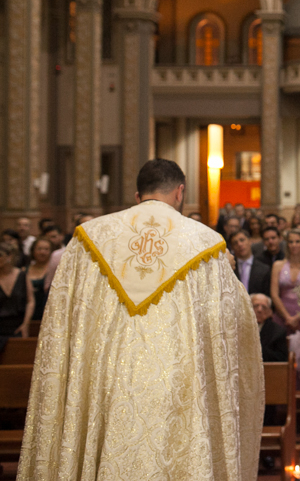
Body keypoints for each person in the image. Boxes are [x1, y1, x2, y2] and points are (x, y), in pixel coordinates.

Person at [18, 159, 263, 479]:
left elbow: (62, 317)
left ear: (138, 195)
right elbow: (231, 323)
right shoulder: (205, 242)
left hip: (105, 378)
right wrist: (227, 271)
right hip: (180, 380)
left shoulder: (90, 237)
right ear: (180, 192)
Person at [270, 229, 300, 368]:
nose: (294, 245)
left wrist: (298, 317)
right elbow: (274, 294)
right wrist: (287, 317)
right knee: (281, 357)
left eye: (297, 241)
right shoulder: (278, 265)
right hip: (281, 315)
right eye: (291, 242)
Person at [0, 241, 33, 337]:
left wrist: (26, 324)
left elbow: (30, 301)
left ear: (9, 256)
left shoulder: (22, 275)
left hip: (18, 326)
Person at [230, 229, 272, 296]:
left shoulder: (264, 268)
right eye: (235, 243)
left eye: (242, 240)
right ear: (232, 248)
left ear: (250, 241)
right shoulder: (229, 269)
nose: (239, 244)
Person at [20, 237, 52, 321]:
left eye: (46, 249)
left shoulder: (55, 271)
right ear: (33, 251)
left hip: (47, 314)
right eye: (39, 249)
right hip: (26, 315)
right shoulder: (23, 270)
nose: (42, 252)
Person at [252, 293, 289, 362]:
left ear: (269, 312)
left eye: (264, 307)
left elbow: (282, 359)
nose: (259, 310)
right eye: (256, 306)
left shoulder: (278, 332)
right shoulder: (238, 329)